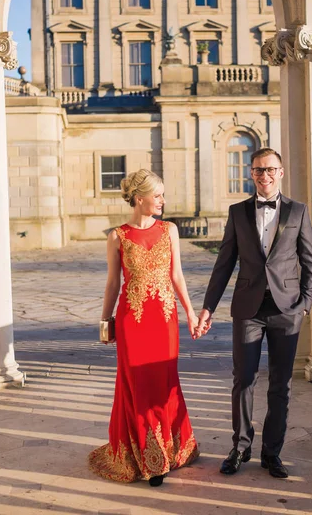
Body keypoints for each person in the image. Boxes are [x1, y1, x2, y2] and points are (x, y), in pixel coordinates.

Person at [197, 148, 312, 479]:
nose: (263, 175)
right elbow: (224, 263)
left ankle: (272, 452)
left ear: (280, 173)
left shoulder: (298, 211)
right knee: (244, 379)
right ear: (251, 174)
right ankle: (240, 447)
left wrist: (304, 303)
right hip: (248, 309)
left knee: (280, 384)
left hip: (286, 309)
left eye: (269, 170)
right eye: (257, 170)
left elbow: (310, 261)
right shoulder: (237, 212)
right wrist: (208, 306)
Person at [89, 169, 200, 486]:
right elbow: (113, 283)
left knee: (163, 383)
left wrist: (190, 313)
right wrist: (105, 320)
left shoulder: (170, 231)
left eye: (163, 195)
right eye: (158, 195)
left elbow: (177, 276)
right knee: (136, 385)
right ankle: (147, 458)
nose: (163, 201)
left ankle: (165, 450)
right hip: (131, 322)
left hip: (164, 320)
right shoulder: (117, 236)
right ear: (140, 199)